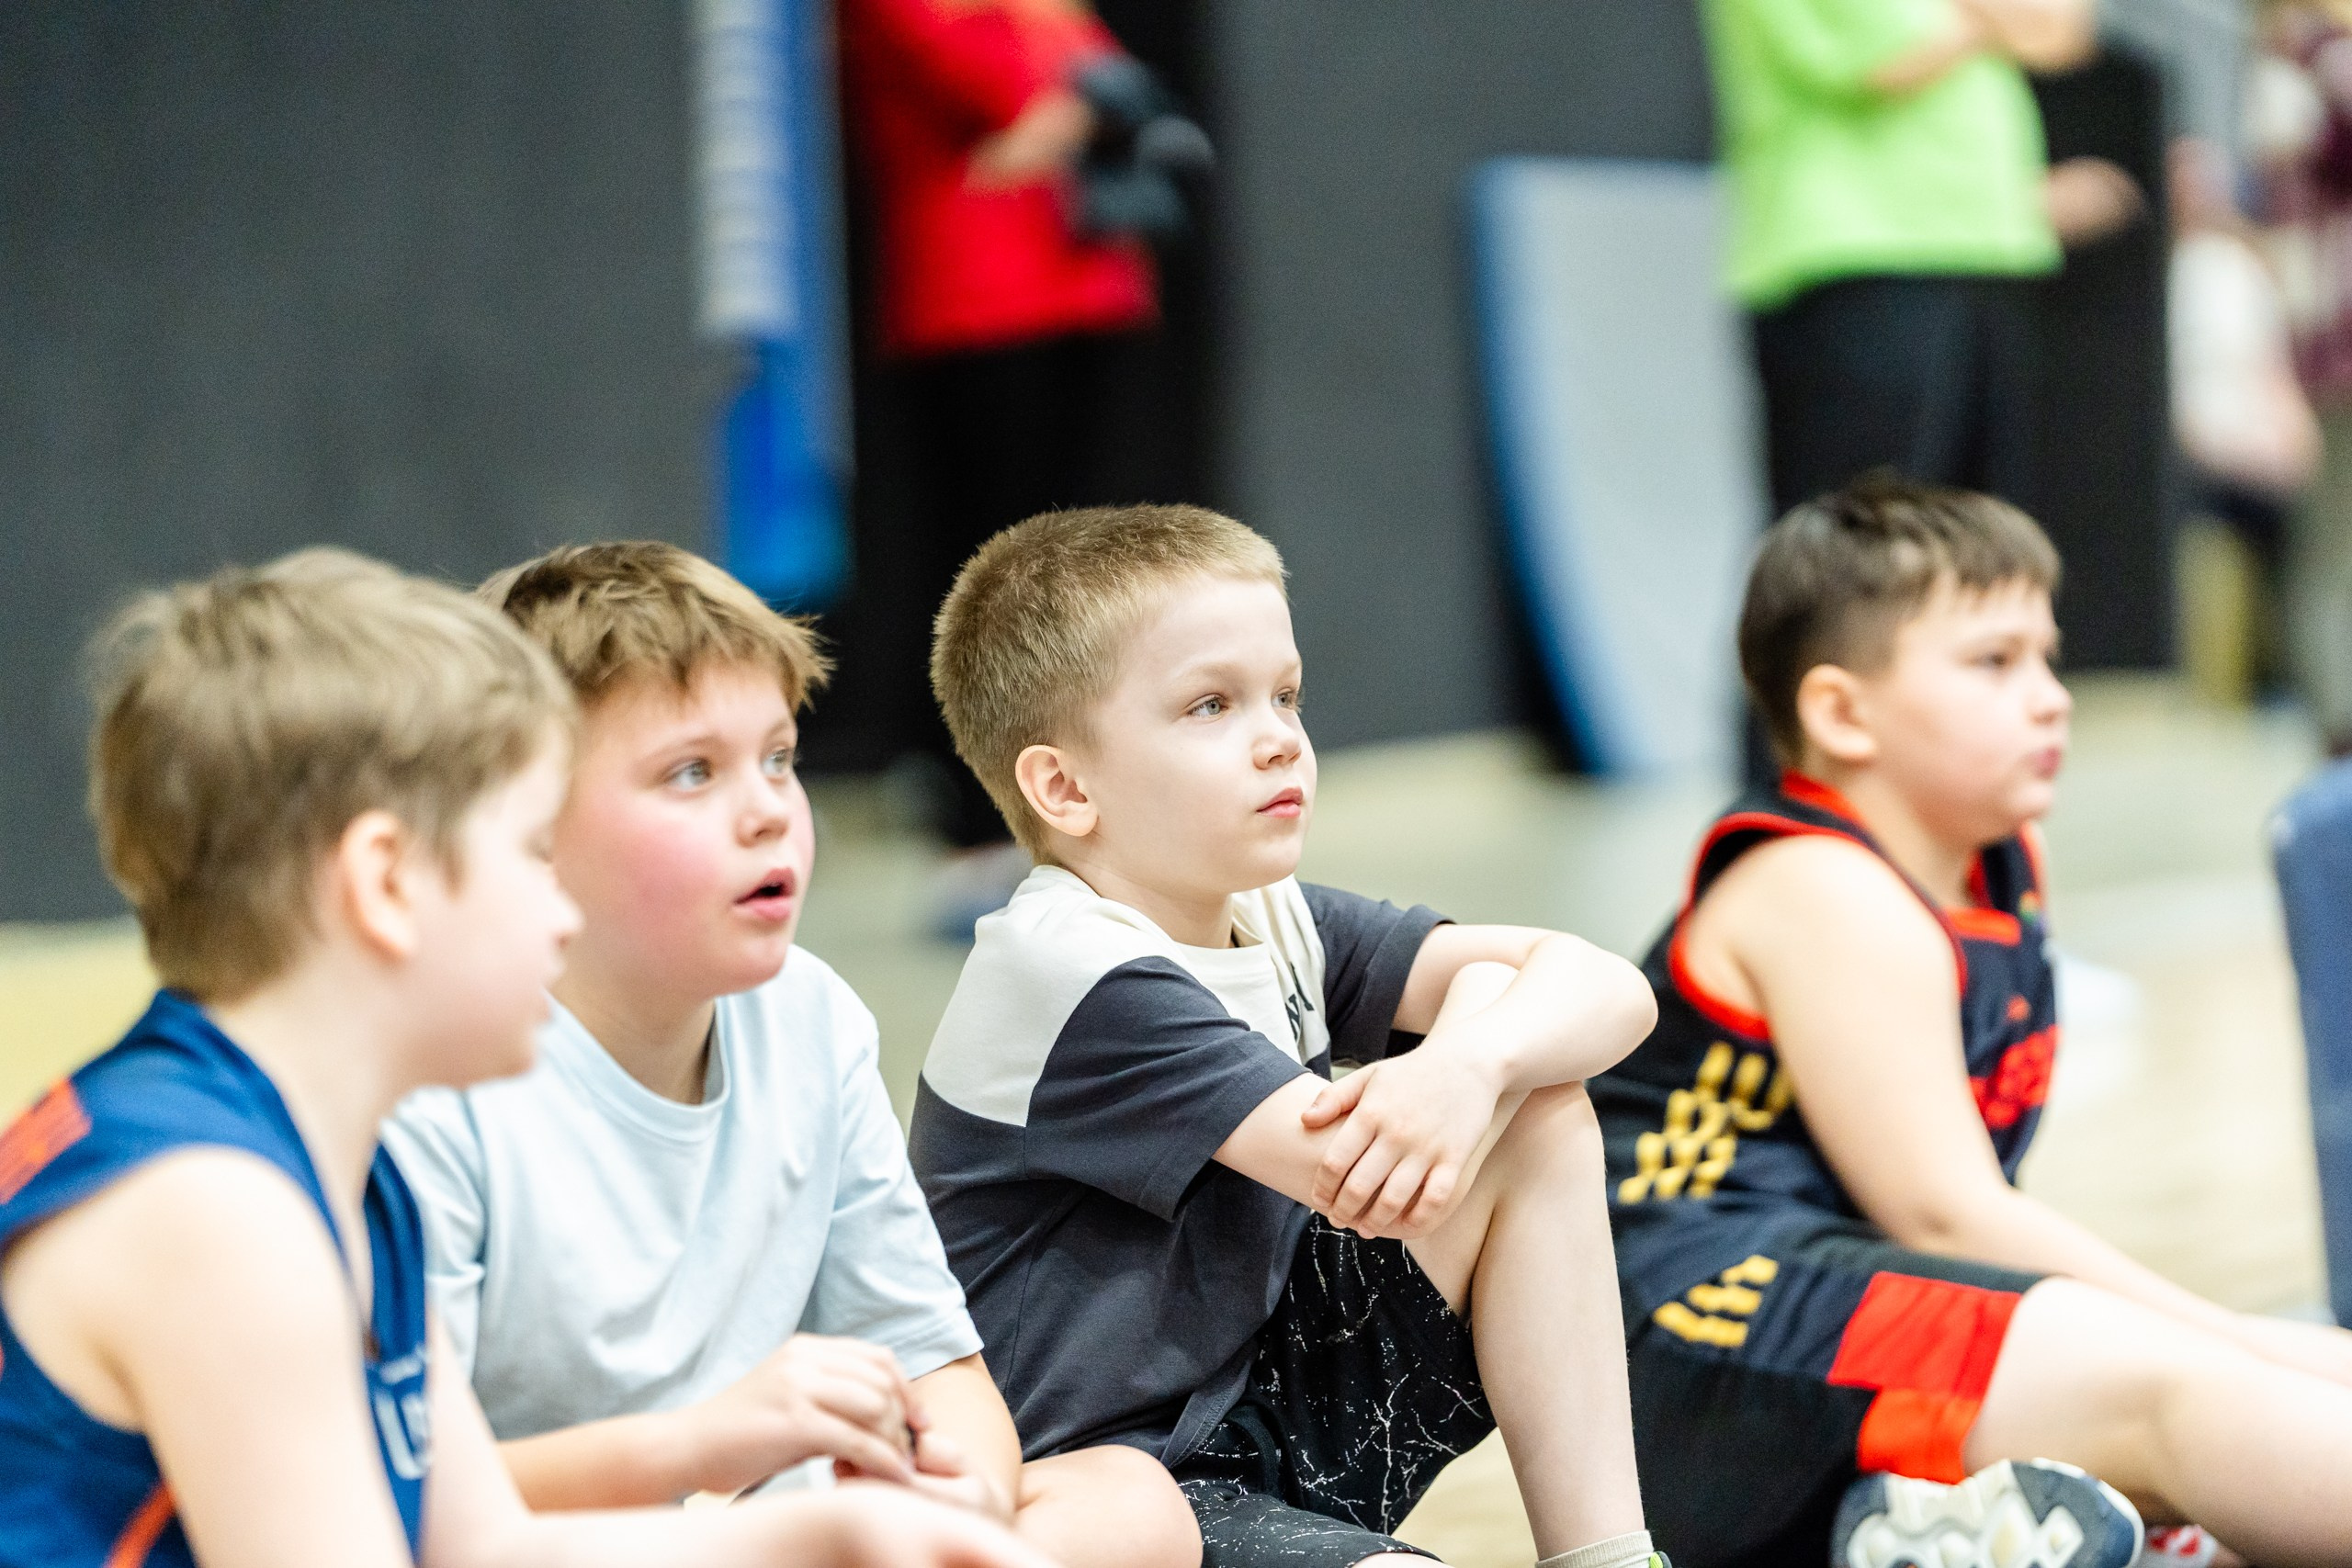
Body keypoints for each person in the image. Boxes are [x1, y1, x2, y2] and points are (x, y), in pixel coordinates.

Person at [0, 549, 1047, 1568]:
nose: (558, 910)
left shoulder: (333, 1163)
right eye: (524, 852)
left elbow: (483, 1546)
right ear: (386, 885)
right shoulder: (221, 1215)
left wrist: (830, 1538)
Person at [379, 541, 1195, 1568]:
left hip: (777, 1536)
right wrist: (699, 1452)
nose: (767, 809)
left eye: (778, 758)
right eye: (691, 773)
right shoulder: (433, 1090)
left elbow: (937, 1367)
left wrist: (962, 1501)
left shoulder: (811, 1017)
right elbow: (399, 1496)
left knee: (1125, 1502)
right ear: (526, 829)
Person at [1590, 476, 2352, 1568]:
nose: (2050, 697)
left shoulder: (1991, 868)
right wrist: (2242, 1345)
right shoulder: (1819, 884)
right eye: (1993, 663)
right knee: (2196, 1396)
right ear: (1840, 712)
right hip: (1699, 1342)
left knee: (2235, 1440)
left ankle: (1940, 1533)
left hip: (1831, 1312)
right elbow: (1946, 1217)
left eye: (2045, 656)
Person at [910, 505, 1664, 1568]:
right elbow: (1357, 1170)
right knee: (1495, 1037)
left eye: (1286, 695)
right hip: (1113, 1499)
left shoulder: (1270, 912)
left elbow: (1609, 992)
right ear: (1065, 788)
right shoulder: (1072, 971)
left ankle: (1609, 1559)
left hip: (1256, 1414)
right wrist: (1470, 1043)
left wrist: (1469, 1058)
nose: (1279, 738)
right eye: (1211, 705)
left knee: (1532, 1094)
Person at [838, 0, 1166, 934]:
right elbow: (1009, 88)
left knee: (1080, 567)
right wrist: (1070, 108)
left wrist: (1068, 115)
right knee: (987, 562)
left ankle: (1084, 810)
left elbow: (1113, 88)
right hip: (974, 299)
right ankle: (975, 821)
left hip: (1084, 281)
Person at [1710, 0, 2099, 519]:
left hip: (1991, 254)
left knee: (1988, 549)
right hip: (1849, 262)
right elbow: (1889, 54)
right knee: (1853, 550)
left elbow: (2064, 29)